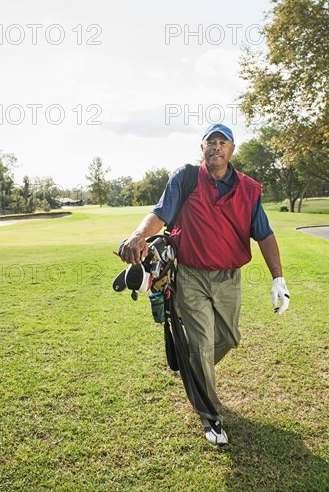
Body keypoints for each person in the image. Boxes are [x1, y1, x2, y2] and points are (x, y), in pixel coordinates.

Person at [119, 124, 290, 445]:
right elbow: (160, 214)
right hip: (190, 276)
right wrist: (139, 234)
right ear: (202, 148)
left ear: (232, 149)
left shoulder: (249, 189)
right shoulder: (184, 178)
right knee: (200, 345)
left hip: (229, 277)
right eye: (210, 142)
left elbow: (264, 234)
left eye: (222, 142)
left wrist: (278, 277)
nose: (216, 147)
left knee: (228, 337)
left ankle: (192, 366)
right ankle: (211, 417)